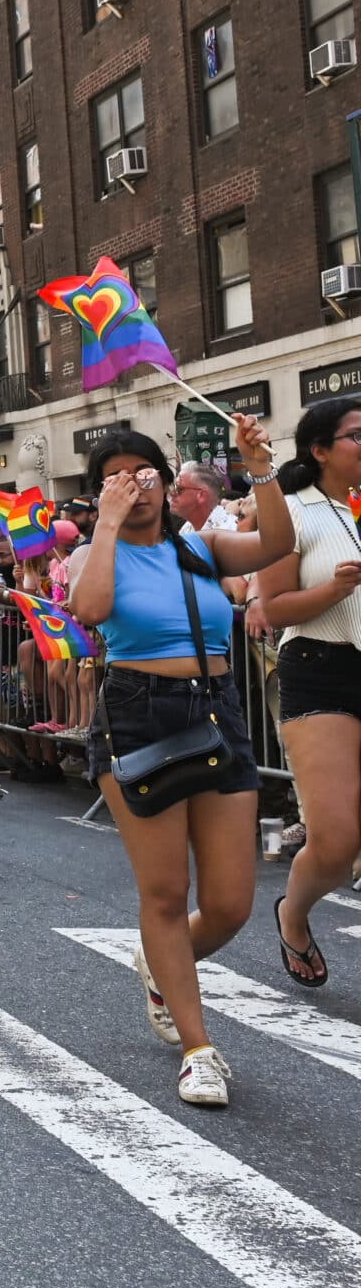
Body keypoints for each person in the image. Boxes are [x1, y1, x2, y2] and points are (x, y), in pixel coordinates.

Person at [66, 421, 289, 1108]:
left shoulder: (199, 545)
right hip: (138, 712)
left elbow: (277, 543)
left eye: (145, 472)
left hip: (216, 710)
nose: (133, 486)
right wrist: (104, 525)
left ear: (167, 479)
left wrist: (260, 468)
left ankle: (161, 963)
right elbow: (91, 610)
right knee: (164, 892)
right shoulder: (90, 554)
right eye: (115, 477)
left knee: (229, 902)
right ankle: (198, 1048)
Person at [258, 397, 361, 990]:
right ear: (320, 451)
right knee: (336, 838)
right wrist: (332, 589)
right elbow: (273, 606)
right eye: (356, 436)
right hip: (319, 666)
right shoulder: (293, 511)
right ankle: (293, 914)